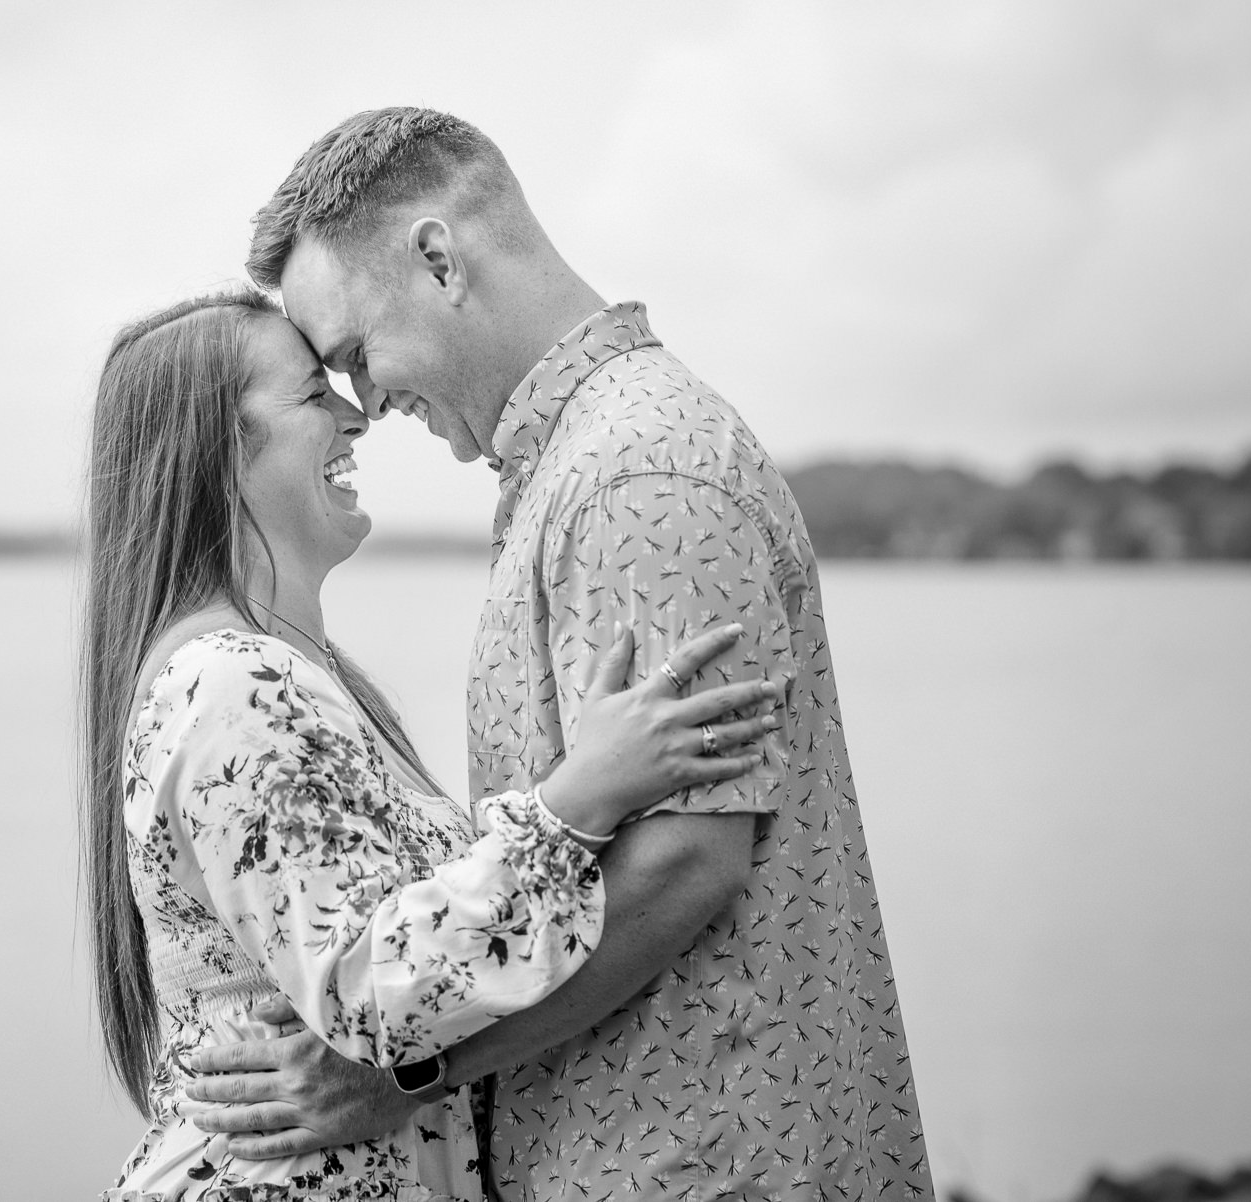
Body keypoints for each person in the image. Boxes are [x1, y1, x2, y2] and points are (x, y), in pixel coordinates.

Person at [180, 109, 934, 1200]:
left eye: (354, 355)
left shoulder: (636, 475)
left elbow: (687, 862)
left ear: (439, 258)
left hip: (704, 1160)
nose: (368, 404)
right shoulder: (579, 465)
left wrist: (405, 1079)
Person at [82, 286, 783, 1200]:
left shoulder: (281, 675)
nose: (353, 413)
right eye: (309, 394)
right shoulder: (232, 687)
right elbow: (371, 990)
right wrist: (580, 800)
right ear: (214, 453)